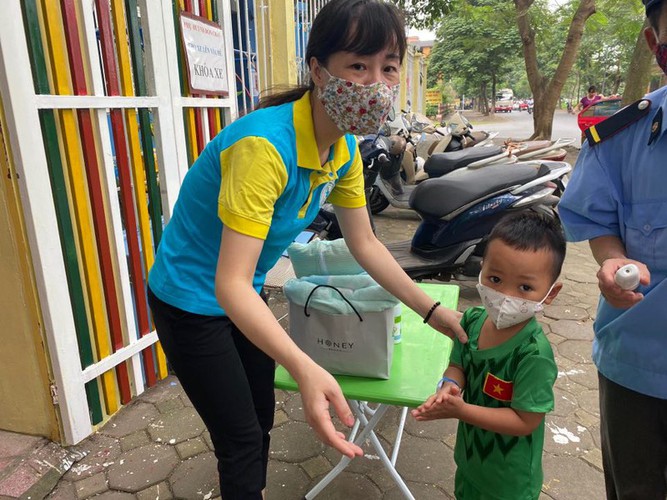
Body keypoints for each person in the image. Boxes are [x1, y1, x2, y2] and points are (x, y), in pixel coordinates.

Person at [146, 1, 468, 498]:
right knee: (241, 438)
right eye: (357, 65)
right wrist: (304, 363)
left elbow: (364, 243)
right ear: (318, 71)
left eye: (387, 67)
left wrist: (430, 310)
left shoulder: (340, 149)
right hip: (190, 301)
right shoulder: (264, 148)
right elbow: (227, 283)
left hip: (243, 296)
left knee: (258, 421)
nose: (373, 84)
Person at [558, 0, 667, 497]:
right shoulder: (623, 137)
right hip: (640, 368)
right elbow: (599, 220)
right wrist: (613, 258)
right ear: (655, 44)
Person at [411, 211, 565, 500]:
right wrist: (450, 386)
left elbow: (525, 421)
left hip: (510, 480)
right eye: (495, 278)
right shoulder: (471, 320)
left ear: (551, 293)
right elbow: (459, 364)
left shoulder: (533, 354)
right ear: (481, 270)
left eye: (525, 287)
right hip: (470, 461)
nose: (505, 295)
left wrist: (460, 411)